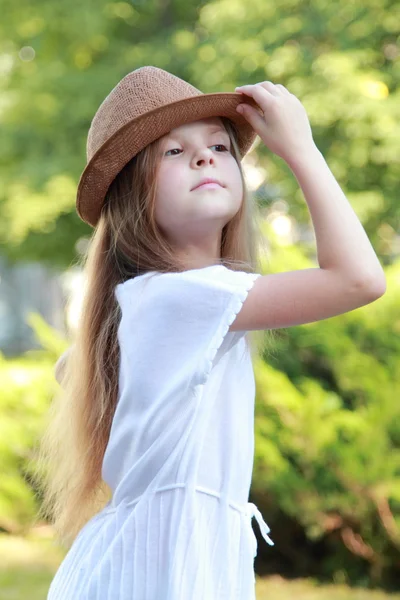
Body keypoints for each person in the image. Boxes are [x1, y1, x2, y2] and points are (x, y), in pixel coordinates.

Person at [35, 66, 386, 600]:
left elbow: (73, 368)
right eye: (172, 152)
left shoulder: (157, 304)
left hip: (155, 563)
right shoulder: (182, 297)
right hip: (156, 572)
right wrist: (301, 151)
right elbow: (358, 279)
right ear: (132, 198)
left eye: (221, 147)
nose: (205, 157)